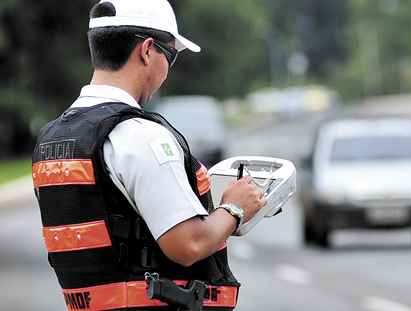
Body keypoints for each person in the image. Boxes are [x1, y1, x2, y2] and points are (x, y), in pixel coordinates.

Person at [31, 0, 265, 310]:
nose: (167, 70)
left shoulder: (52, 139)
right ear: (147, 50)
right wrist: (235, 208)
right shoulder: (140, 136)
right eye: (171, 57)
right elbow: (188, 243)